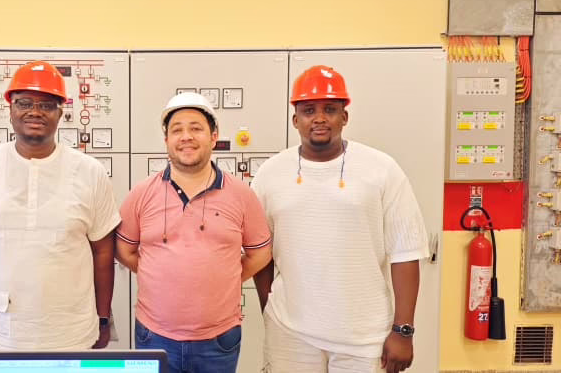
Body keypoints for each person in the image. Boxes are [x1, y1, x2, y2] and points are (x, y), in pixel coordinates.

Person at [252, 65, 429, 373]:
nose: (319, 118)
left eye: (330, 109)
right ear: (295, 120)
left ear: (344, 117)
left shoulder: (381, 169)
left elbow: (406, 252)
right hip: (290, 335)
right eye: (309, 110)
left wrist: (403, 331)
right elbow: (259, 250)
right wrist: (269, 308)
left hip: (364, 338)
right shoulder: (270, 173)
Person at [0, 60, 121, 350]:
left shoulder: (90, 171)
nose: (35, 112)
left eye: (46, 105)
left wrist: (103, 318)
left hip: (71, 333)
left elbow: (103, 251)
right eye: (24, 103)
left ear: (60, 113)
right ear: (10, 109)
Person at [116, 92, 271, 373]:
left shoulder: (241, 195)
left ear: (214, 137)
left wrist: (225, 276)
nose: (186, 137)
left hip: (218, 340)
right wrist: (158, 272)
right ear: (166, 140)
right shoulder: (141, 194)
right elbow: (124, 250)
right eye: (177, 130)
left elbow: (260, 254)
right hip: (154, 335)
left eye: (196, 128)